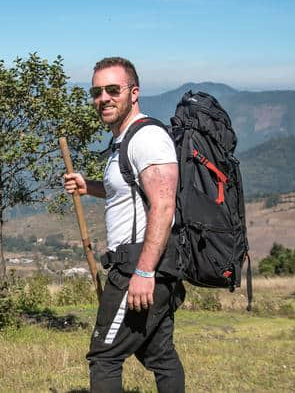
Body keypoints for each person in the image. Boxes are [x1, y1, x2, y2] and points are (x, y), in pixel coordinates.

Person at [64, 57, 185, 392]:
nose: (103, 98)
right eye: (96, 92)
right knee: (159, 354)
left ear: (134, 93)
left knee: (103, 357)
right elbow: (131, 192)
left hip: (139, 265)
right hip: (145, 263)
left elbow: (163, 205)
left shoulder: (147, 138)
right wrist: (90, 187)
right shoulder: (123, 140)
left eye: (112, 89)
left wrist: (144, 273)